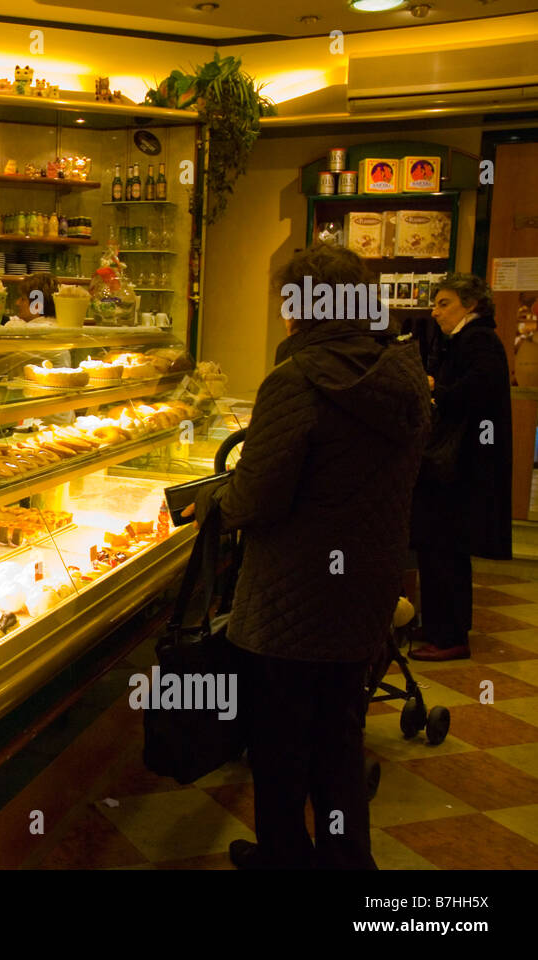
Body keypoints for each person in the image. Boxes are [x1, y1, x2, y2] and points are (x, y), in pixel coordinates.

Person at [191, 244, 431, 869]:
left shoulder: (296, 380)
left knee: (279, 740)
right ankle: (349, 861)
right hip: (366, 587)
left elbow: (257, 498)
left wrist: (217, 498)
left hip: (293, 594)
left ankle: (284, 857)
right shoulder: (403, 373)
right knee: (338, 736)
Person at [408, 274, 512, 661]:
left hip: (459, 468)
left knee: (444, 550)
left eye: (444, 303)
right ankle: (439, 626)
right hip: (459, 465)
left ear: (471, 304)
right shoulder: (468, 340)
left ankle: (449, 634)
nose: (435, 312)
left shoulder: (479, 340)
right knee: (440, 550)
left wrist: (435, 387)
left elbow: (477, 394)